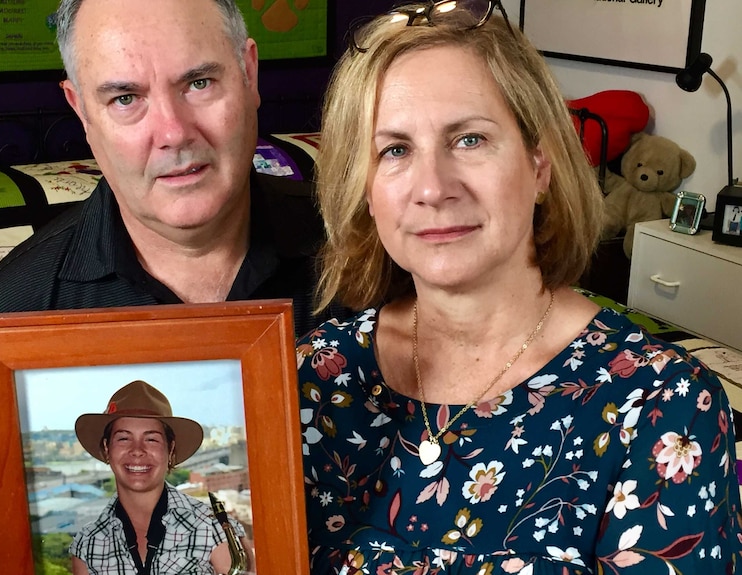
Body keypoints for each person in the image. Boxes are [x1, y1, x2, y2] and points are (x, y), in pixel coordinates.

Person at [296, 2, 742, 573]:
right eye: (395, 150)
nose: (432, 188)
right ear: (364, 188)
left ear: (540, 164)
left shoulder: (664, 407)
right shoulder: (312, 378)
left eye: (469, 140)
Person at [0, 0, 342, 572]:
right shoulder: (13, 311)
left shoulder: (364, 256)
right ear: (82, 111)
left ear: (249, 74)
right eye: (125, 98)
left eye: (200, 82)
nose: (173, 132)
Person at [70, 380, 253, 574]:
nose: (137, 450)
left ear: (170, 449)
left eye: (151, 439)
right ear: (107, 449)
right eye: (124, 438)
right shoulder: (87, 544)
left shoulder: (216, 529)